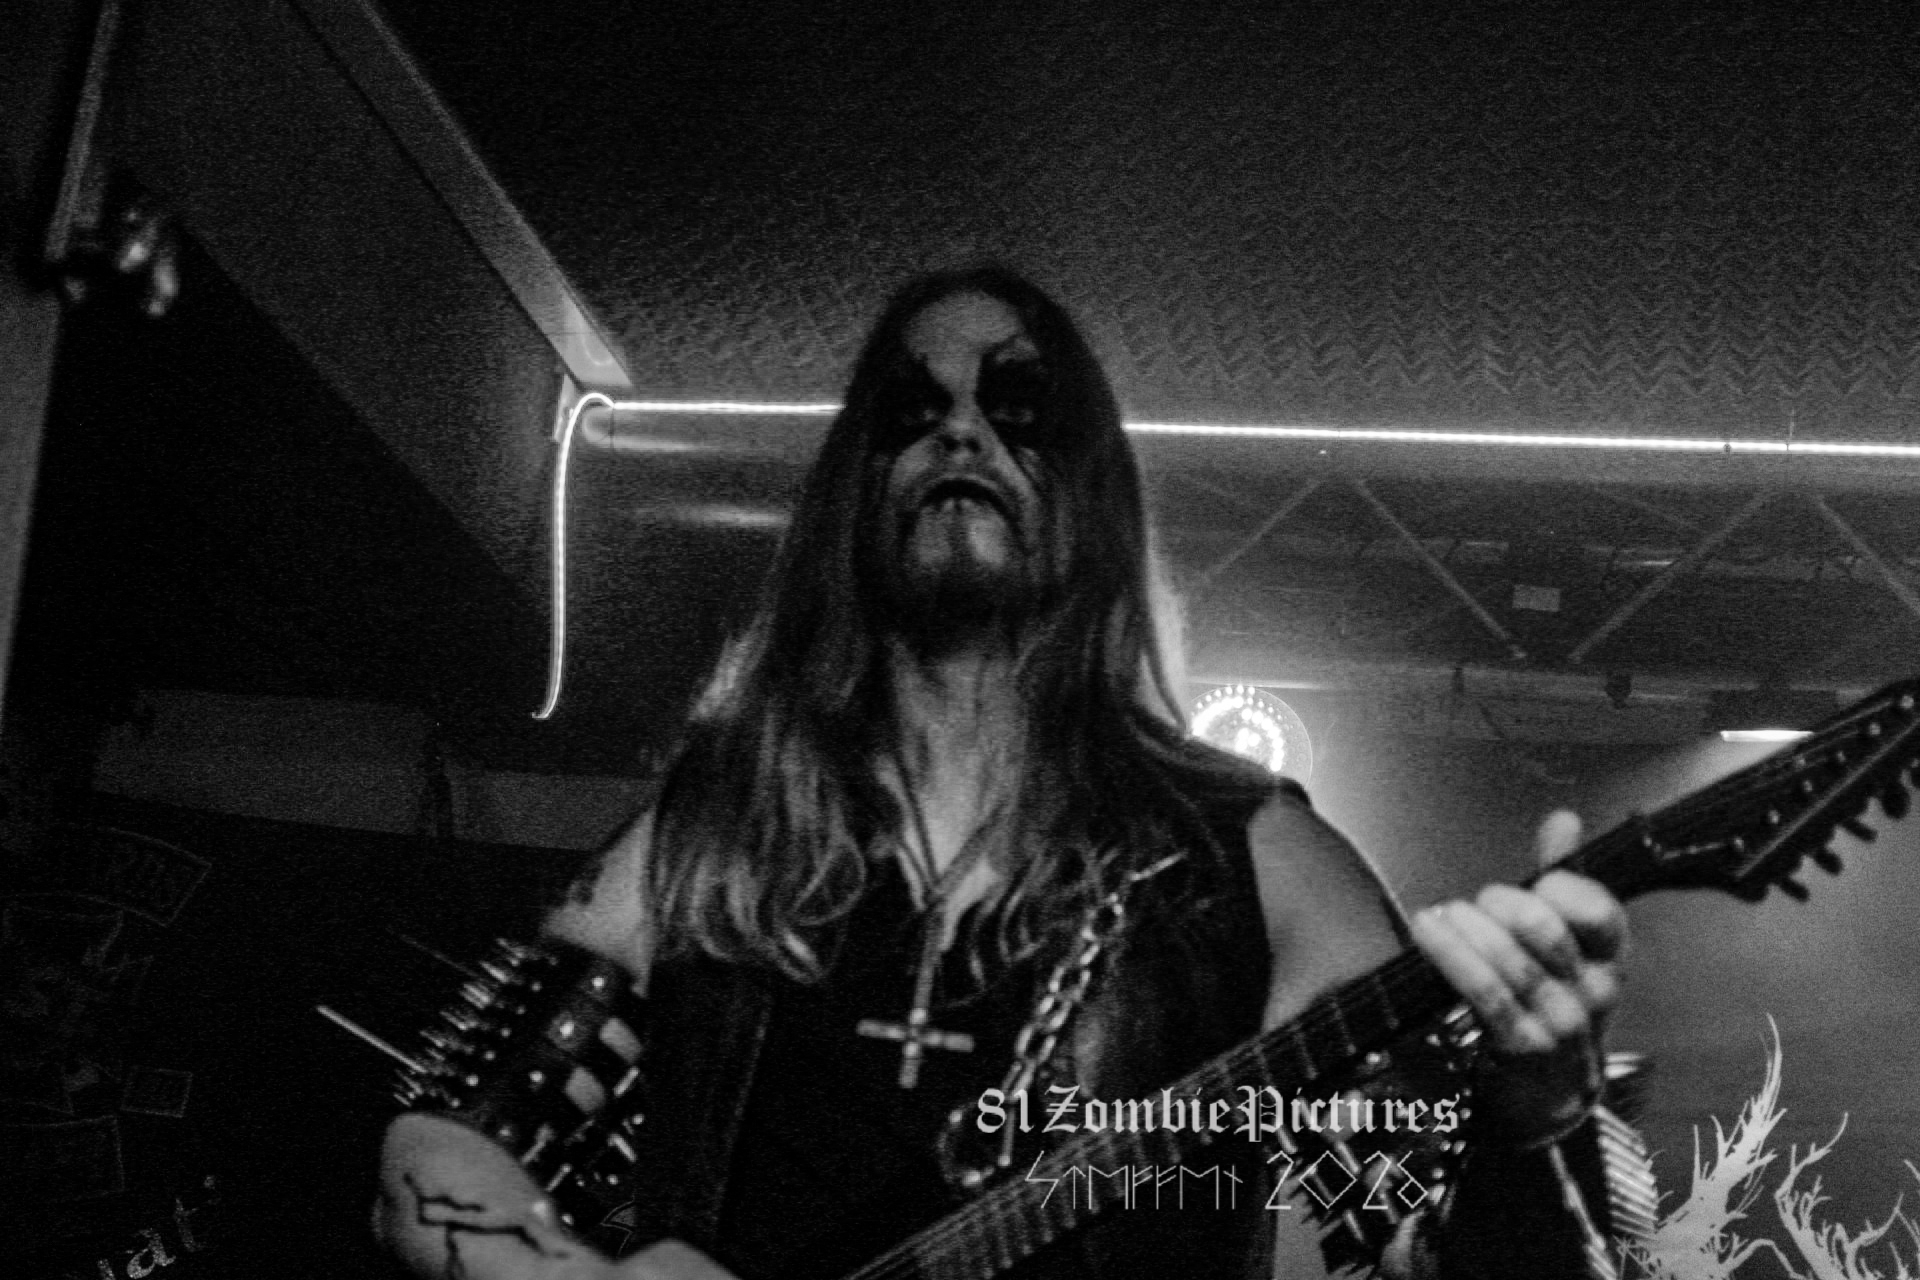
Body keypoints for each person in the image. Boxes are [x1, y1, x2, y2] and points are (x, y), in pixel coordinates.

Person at [374, 267, 1630, 1280]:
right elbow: (441, 1135)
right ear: (857, 486)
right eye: (909, 409)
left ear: (1091, 497)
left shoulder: (1257, 860)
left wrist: (1541, 1111)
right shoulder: (719, 826)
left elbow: (1423, 1238)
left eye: (1019, 406)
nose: (960, 429)